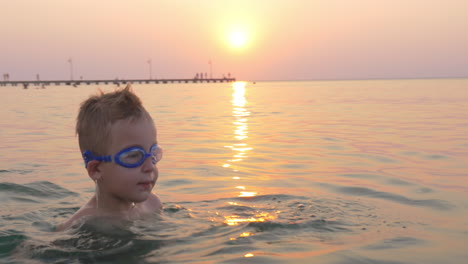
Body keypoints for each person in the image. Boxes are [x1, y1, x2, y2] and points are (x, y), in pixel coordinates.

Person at [56, 85, 163, 231]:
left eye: (153, 153)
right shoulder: (83, 224)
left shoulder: (153, 205)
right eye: (133, 155)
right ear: (96, 169)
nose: (150, 167)